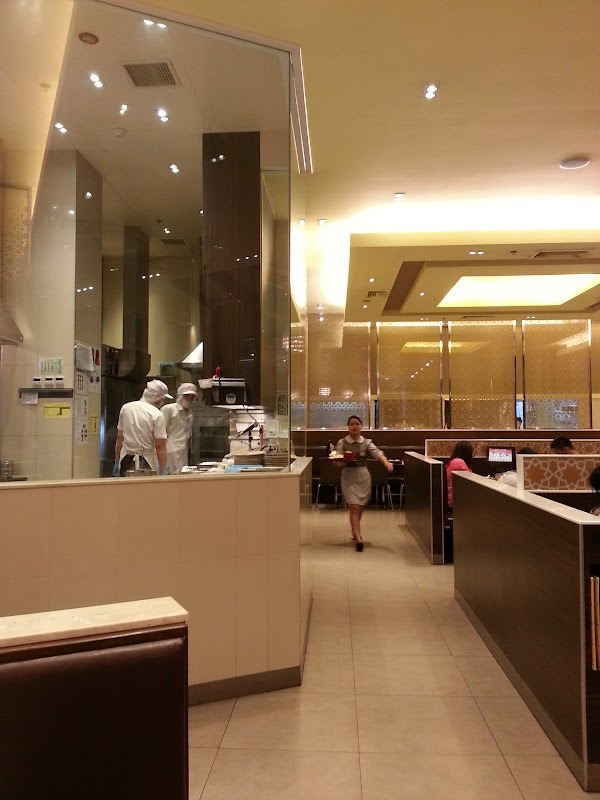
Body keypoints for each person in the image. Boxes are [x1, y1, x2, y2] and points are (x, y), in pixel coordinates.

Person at [336, 415, 392, 552]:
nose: (354, 426)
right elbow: (337, 459)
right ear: (348, 427)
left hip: (363, 477)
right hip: (348, 476)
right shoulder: (342, 442)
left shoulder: (367, 442)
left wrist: (386, 462)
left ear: (361, 427)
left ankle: (354, 529)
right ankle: (358, 538)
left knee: (359, 506)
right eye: (352, 424)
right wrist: (339, 461)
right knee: (353, 506)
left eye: (357, 424)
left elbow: (377, 453)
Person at [113, 379, 172, 477]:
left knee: (125, 486)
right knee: (145, 487)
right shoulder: (157, 414)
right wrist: (163, 469)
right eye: (163, 398)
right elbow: (160, 446)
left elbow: (120, 437)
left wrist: (116, 460)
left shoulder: (126, 408)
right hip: (146, 462)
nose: (163, 401)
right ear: (157, 397)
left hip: (125, 461)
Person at [161, 382, 198, 474]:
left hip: (183, 451)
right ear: (180, 396)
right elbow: (160, 431)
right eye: (186, 396)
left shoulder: (190, 413)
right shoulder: (169, 409)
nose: (189, 399)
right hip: (170, 451)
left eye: (192, 397)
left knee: (182, 475)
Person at [446, 441, 473, 508]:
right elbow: (471, 479)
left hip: (449, 497)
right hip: (453, 500)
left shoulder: (454, 461)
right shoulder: (459, 462)